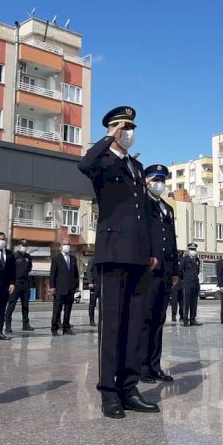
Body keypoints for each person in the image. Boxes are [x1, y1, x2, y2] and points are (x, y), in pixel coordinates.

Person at [78, 105, 159, 419]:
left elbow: (144, 215)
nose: (130, 133)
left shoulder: (136, 168)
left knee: (134, 324)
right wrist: (106, 137)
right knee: (112, 325)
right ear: (112, 129)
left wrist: (150, 250)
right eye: (124, 127)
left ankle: (129, 387)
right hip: (113, 252)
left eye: (131, 127)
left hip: (138, 253)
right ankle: (109, 393)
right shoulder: (103, 161)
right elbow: (84, 164)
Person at [140, 164, 178, 383]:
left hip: (165, 272)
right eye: (155, 179)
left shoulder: (167, 208)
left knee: (158, 320)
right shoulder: (142, 203)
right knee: (144, 319)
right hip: (149, 270)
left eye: (162, 181)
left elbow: (172, 240)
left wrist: (175, 271)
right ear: (146, 181)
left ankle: (154, 366)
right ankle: (141, 367)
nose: (159, 184)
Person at [49, 238, 79, 336]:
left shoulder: (73, 259)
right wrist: (52, 286)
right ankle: (54, 328)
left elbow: (76, 274)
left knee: (68, 309)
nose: (67, 246)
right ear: (61, 246)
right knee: (57, 309)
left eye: (68, 244)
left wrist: (76, 286)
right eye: (65, 244)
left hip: (70, 289)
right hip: (59, 289)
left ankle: (66, 327)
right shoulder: (56, 258)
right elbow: (52, 273)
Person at [6, 239, 34, 333]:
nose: (24, 247)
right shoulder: (14, 256)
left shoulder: (28, 257)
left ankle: (26, 324)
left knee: (25, 305)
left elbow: (29, 268)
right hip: (16, 283)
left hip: (25, 283)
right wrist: (11, 283)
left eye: (25, 246)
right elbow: (9, 270)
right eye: (22, 245)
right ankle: (8, 325)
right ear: (18, 246)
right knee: (11, 304)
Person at [179, 243, 202, 327]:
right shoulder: (185, 259)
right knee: (186, 303)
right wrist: (185, 280)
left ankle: (193, 319)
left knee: (194, 302)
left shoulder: (197, 260)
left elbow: (198, 271)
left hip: (195, 284)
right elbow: (180, 271)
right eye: (191, 249)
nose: (193, 251)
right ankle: (185, 320)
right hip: (187, 284)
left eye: (194, 249)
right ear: (188, 250)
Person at [86, 257, 98, 327]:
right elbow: (89, 271)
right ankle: (91, 320)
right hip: (94, 285)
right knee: (92, 303)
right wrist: (90, 282)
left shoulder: (103, 259)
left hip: (102, 285)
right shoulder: (92, 260)